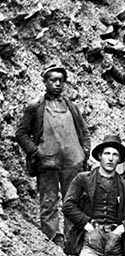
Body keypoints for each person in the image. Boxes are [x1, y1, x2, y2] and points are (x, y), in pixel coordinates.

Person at [15, 64, 89, 246]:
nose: (57, 84)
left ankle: (72, 244)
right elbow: (21, 133)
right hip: (47, 163)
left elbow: (84, 132)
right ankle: (52, 243)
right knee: (48, 202)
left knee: (72, 203)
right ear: (45, 82)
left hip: (73, 162)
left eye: (60, 81)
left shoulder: (72, 106)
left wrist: (84, 151)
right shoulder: (35, 106)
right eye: (52, 80)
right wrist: (35, 151)